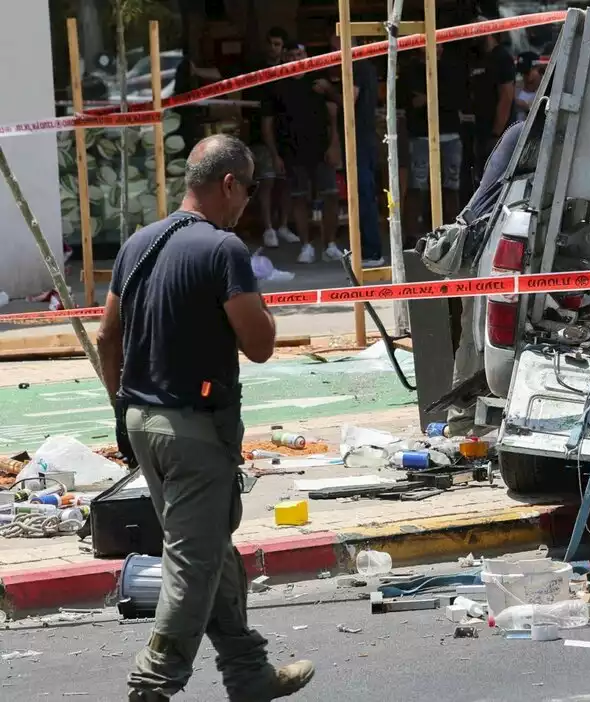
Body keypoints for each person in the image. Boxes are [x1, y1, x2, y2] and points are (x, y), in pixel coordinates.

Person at [96, 134, 315, 701]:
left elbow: (106, 336)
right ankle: (152, 684)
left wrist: (123, 403)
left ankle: (249, 673)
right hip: (194, 432)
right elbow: (260, 344)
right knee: (193, 564)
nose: (247, 203)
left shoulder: (138, 244)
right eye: (247, 190)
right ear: (227, 185)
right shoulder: (223, 250)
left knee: (212, 549)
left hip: (144, 424)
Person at [442, 119, 524, 437]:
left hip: (483, 240)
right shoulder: (530, 134)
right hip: (480, 243)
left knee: (477, 338)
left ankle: (467, 421)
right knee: (477, 340)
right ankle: (463, 423)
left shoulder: (524, 130)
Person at [263, 45, 343, 265]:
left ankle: (330, 244)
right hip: (292, 151)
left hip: (322, 150)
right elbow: (267, 123)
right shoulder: (276, 85)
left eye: (300, 55)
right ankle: (306, 245)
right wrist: (275, 155)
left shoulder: (319, 80)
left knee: (330, 195)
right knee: (299, 198)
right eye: (291, 56)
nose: (296, 59)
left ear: (307, 57)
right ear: (284, 59)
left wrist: (334, 143)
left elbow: (334, 113)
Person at [316, 35, 384, 267]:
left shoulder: (360, 66)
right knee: (360, 194)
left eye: (337, 47)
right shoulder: (362, 66)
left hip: (360, 140)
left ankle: (372, 252)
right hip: (358, 138)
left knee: (363, 194)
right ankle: (367, 248)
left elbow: (349, 100)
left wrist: (328, 91)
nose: (334, 52)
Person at [398, 48, 464, 242]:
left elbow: (458, 99)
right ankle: (412, 236)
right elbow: (408, 101)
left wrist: (427, 99)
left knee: (450, 186)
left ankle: (452, 233)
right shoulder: (411, 71)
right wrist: (438, 98)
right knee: (417, 185)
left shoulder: (452, 68)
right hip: (422, 134)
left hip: (448, 133)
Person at [246, 27, 299, 250]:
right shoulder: (257, 71)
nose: (273, 48)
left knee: (286, 181)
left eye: (277, 44)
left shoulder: (291, 71)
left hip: (287, 135)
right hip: (261, 134)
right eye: (270, 43)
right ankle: (268, 228)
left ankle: (283, 226)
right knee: (266, 180)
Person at [469, 24, 516, 177]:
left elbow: (506, 97)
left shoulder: (502, 57)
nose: (473, 36)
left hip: (498, 134)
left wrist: (496, 133)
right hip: (480, 131)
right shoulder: (477, 58)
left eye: (477, 31)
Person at [513, 52, 542, 123]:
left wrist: (527, 107)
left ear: (537, 68)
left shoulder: (545, 92)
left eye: (527, 72)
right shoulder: (515, 90)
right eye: (522, 73)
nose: (525, 77)